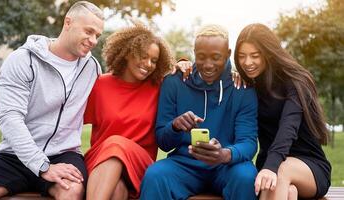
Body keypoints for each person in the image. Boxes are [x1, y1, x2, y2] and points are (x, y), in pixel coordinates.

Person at [0, 1, 104, 199]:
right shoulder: (23, 60)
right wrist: (42, 166)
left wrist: (175, 67)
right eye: (88, 31)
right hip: (14, 154)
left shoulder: (92, 68)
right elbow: (9, 117)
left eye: (97, 35)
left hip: (64, 153)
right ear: (68, 22)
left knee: (72, 190)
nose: (93, 40)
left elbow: (123, 85)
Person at [140, 24, 258, 200]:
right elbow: (163, 142)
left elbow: (248, 142)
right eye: (201, 57)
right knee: (155, 175)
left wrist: (224, 154)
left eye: (216, 57)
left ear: (228, 53)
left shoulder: (242, 88)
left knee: (246, 177)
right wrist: (175, 126)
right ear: (194, 52)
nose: (208, 65)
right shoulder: (174, 82)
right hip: (184, 164)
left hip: (227, 166)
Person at [233, 23, 331, 200]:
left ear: (268, 53)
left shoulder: (295, 82)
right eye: (242, 56)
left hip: (308, 166)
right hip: (270, 164)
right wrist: (182, 63)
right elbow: (210, 69)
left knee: (279, 172)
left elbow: (289, 127)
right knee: (286, 190)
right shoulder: (248, 86)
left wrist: (271, 166)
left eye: (255, 56)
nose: (247, 62)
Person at [83, 24, 173, 200]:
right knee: (117, 190)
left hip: (139, 162)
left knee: (115, 144)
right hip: (101, 161)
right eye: (143, 56)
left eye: (154, 60)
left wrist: (183, 61)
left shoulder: (160, 88)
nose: (148, 64)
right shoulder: (100, 85)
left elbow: (190, 80)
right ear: (126, 52)